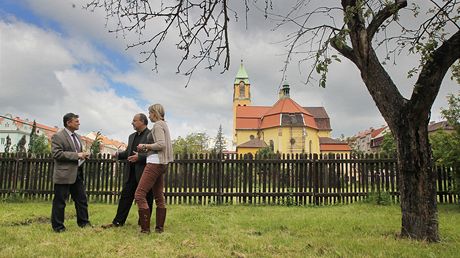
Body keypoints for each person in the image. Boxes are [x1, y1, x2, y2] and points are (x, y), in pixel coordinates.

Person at [102, 113, 154, 228]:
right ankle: (118, 222)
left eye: (134, 121)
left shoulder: (151, 135)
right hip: (130, 173)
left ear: (142, 122)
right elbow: (128, 153)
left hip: (145, 173)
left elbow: (154, 155)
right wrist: (118, 155)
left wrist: (139, 157)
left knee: (146, 197)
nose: (132, 123)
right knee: (125, 197)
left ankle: (144, 224)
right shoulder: (131, 136)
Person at [135, 104, 173, 234]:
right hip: (161, 164)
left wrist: (145, 146)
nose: (149, 116)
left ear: (155, 113)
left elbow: (161, 144)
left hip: (154, 163)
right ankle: (159, 229)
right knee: (158, 196)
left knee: (139, 195)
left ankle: (145, 230)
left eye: (150, 113)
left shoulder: (157, 125)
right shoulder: (164, 124)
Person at [51, 113, 91, 232]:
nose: (79, 123)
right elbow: (56, 154)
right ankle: (58, 227)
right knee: (60, 201)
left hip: (77, 173)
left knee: (81, 199)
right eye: (76, 121)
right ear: (68, 123)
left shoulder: (78, 137)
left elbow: (77, 153)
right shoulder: (58, 136)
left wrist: (83, 156)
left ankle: (84, 223)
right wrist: (77, 155)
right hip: (63, 174)